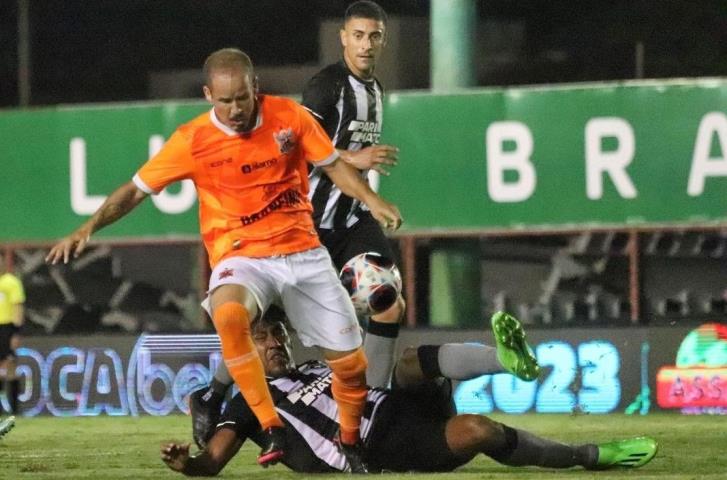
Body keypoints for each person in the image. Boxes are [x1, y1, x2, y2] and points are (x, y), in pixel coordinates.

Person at [46, 47, 402, 472]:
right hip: (243, 256)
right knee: (229, 313)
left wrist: (371, 199)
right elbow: (135, 190)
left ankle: (349, 442)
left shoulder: (289, 117)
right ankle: (272, 426)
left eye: (241, 99)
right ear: (207, 95)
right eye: (224, 100)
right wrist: (88, 227)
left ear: (255, 88)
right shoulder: (192, 140)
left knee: (351, 366)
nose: (234, 109)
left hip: (303, 252)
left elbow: (332, 165)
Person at [191, 0, 404, 450]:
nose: (367, 45)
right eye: (359, 35)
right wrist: (357, 160)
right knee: (261, 322)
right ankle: (212, 394)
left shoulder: (375, 88)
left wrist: (369, 197)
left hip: (349, 222)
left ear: (382, 40)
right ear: (344, 38)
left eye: (375, 36)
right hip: (305, 226)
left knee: (386, 300)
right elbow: (301, 146)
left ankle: (377, 403)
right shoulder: (326, 87)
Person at [161, 308, 657, 475]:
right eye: (262, 337)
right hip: (378, 447)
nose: (273, 343)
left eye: (277, 334)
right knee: (477, 430)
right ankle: (588, 456)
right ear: (244, 349)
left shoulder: (312, 365)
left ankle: (503, 360)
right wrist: (189, 464)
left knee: (405, 362)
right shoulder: (249, 401)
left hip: (388, 406)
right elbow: (213, 462)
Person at [0, 252, 25, 421]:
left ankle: (14, 410)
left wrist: (16, 332)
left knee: (10, 366)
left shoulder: (11, 282)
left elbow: (18, 307)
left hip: (7, 327)